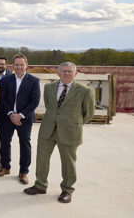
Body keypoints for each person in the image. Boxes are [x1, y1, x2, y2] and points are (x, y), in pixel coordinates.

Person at [24, 62, 95, 204]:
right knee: (42, 159)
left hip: (69, 132)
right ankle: (40, 185)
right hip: (48, 130)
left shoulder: (85, 91)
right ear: (58, 73)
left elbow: (88, 113)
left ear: (75, 73)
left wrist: (73, 123)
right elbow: (51, 107)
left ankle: (67, 190)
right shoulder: (49, 88)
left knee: (68, 163)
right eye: (64, 71)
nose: (66, 73)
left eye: (70, 71)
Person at [0, 54, 40, 184]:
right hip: (6, 117)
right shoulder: (5, 80)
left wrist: (20, 115)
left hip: (24, 119)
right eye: (17, 64)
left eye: (22, 64)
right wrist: (10, 114)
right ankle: (5, 166)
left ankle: (23, 171)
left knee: (25, 144)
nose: (19, 67)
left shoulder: (34, 81)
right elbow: (2, 99)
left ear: (26, 65)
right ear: (12, 66)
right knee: (4, 142)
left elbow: (34, 101)